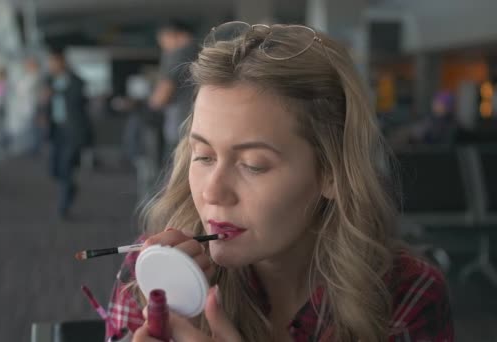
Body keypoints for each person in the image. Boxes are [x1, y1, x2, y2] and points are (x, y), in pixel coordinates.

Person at [106, 22, 454, 341]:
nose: (212, 191)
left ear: (332, 173)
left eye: (253, 165)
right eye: (204, 156)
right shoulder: (153, 272)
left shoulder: (404, 294)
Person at [45, 47, 92, 219]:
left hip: (72, 130)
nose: (50, 66)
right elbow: (46, 104)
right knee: (55, 169)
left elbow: (78, 101)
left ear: (62, 63)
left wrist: (56, 93)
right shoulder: (49, 81)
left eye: (53, 62)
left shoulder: (76, 81)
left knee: (66, 166)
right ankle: (70, 187)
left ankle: (63, 206)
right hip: (56, 129)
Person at [149, 20, 199, 163]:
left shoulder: (177, 54)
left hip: (180, 124)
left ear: (176, 35)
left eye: (163, 40)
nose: (163, 46)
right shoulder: (203, 51)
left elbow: (161, 96)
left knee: (174, 176)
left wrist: (151, 104)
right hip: (200, 122)